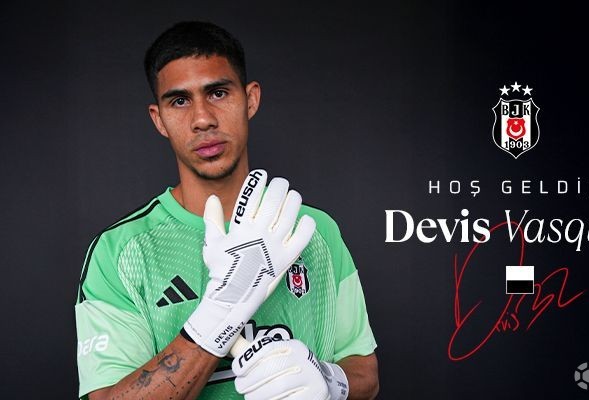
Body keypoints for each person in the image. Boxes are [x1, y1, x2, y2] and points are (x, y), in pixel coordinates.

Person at [75, 21, 379, 400]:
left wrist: (329, 381)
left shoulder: (315, 230)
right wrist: (222, 309)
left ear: (250, 99)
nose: (202, 118)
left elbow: (365, 372)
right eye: (179, 101)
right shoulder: (120, 252)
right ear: (159, 119)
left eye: (218, 93)